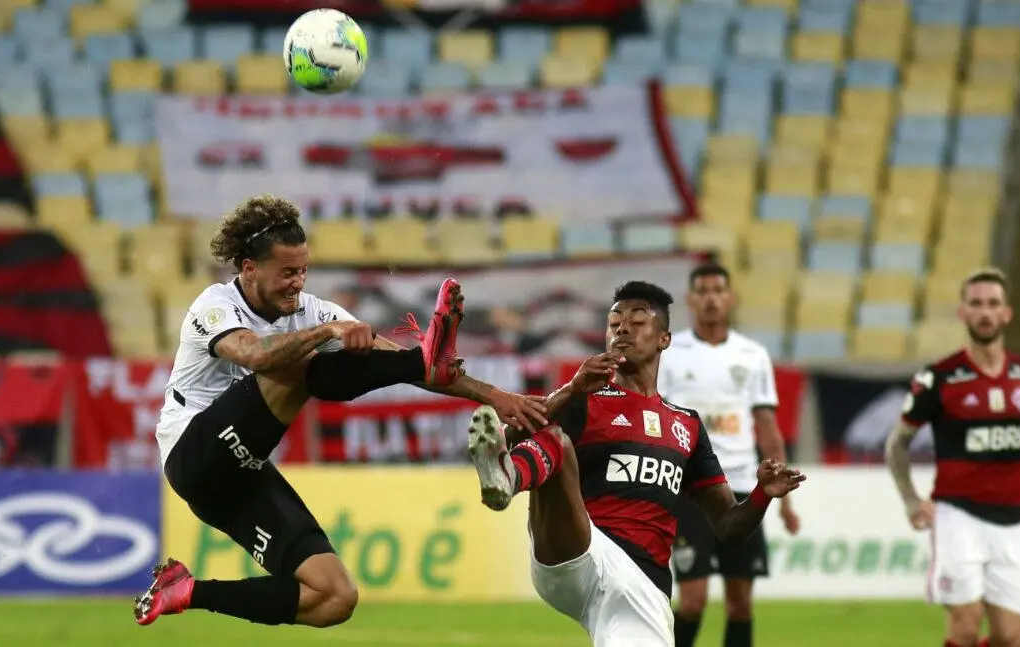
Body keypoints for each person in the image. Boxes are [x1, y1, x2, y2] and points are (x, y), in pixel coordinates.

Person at [132, 194, 548, 629]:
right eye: (287, 272)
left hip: (238, 476)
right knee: (293, 364)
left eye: (304, 271)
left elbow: (407, 364)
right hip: (193, 455)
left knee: (334, 597)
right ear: (249, 268)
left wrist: (495, 396)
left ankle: (186, 590)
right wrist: (331, 331)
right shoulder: (215, 305)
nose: (298, 282)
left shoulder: (311, 310)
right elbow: (253, 355)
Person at [466, 280, 805, 646]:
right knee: (558, 444)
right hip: (580, 552)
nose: (623, 328)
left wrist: (762, 494)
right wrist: (569, 391)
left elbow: (728, 526)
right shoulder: (586, 399)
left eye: (637, 320)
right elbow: (512, 434)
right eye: (614, 323)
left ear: (664, 339)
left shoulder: (687, 426)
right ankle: (507, 476)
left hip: (641, 585)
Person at [885, 268, 1020, 647]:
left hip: (1013, 520)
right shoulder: (940, 378)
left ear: (1007, 313)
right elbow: (896, 445)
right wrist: (911, 500)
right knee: (965, 626)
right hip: (957, 516)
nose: (985, 312)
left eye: (993, 304)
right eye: (976, 304)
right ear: (962, 313)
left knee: (1011, 635)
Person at [657, 263, 800, 647]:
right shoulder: (670, 353)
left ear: (731, 298)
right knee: (692, 601)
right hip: (690, 491)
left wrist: (783, 503)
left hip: (742, 489)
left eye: (718, 290)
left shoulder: (752, 355)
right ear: (690, 300)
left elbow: (766, 425)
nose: (711, 299)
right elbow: (655, 417)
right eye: (702, 291)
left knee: (740, 604)